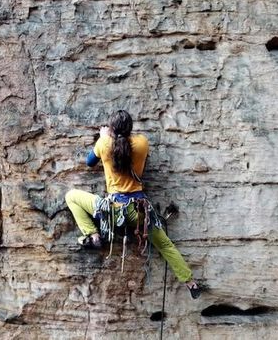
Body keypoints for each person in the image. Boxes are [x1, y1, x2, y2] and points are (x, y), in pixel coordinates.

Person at [65, 110, 200, 299]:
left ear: (111, 128)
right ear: (130, 128)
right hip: (139, 214)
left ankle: (93, 235)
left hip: (112, 211)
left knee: (71, 196)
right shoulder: (142, 143)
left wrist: (104, 137)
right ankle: (190, 283)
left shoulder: (104, 143)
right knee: (165, 245)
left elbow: (89, 162)